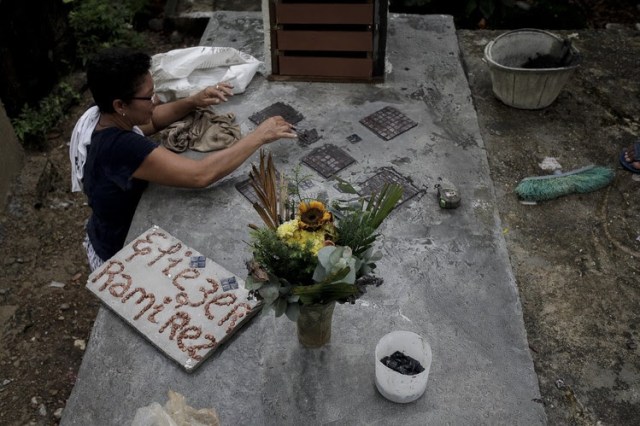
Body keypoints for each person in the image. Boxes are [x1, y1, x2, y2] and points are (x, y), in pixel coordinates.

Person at [72, 48, 297, 271]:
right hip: (121, 251)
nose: (155, 100)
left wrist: (192, 101)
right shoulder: (119, 147)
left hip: (104, 227)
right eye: (148, 96)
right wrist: (258, 136)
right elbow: (199, 175)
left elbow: (150, 121)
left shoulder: (101, 114)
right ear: (120, 105)